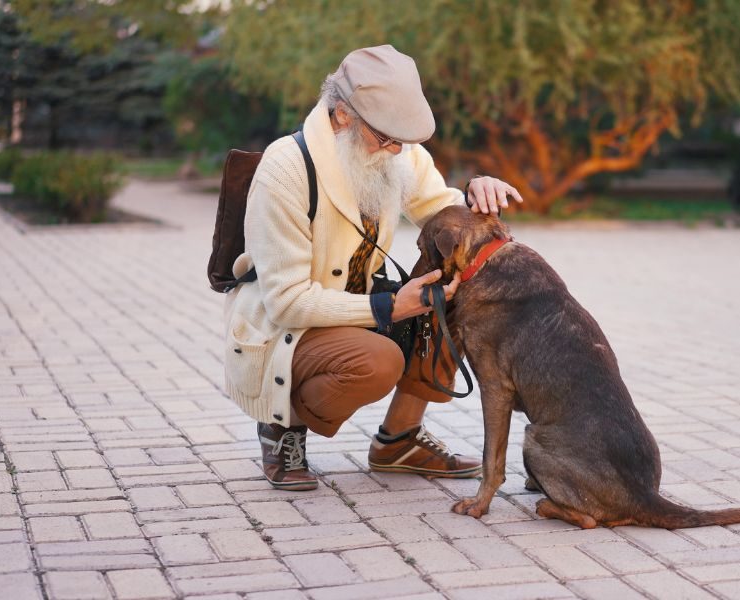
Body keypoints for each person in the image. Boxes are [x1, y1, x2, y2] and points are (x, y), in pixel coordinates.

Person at [223, 45, 523, 490]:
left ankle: (398, 441)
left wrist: (476, 197)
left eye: (405, 140)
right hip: (287, 326)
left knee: (458, 291)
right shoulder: (285, 170)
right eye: (386, 137)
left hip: (364, 303)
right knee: (376, 362)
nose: (398, 150)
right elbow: (286, 302)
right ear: (343, 116)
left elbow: (444, 215)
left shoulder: (393, 149)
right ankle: (281, 425)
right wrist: (387, 309)